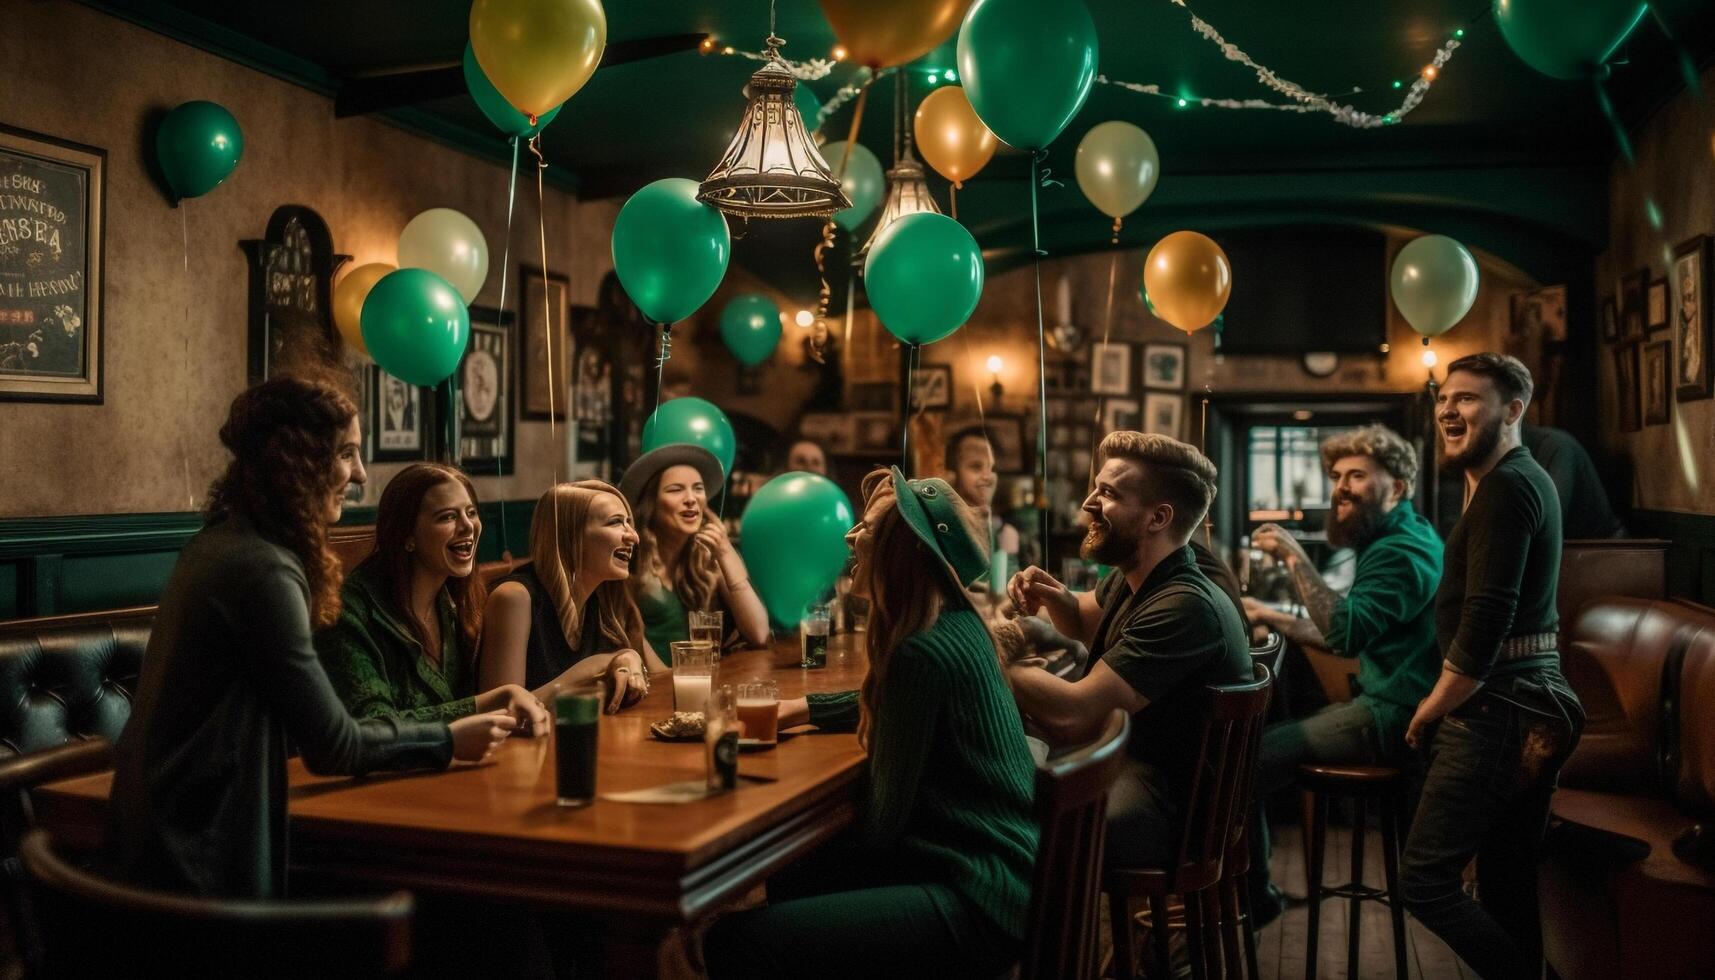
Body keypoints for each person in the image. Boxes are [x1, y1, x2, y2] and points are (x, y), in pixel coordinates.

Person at [108, 376, 516, 898]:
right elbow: (335, 745)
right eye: (347, 454)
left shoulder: (224, 543)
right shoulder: (263, 570)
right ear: (298, 461)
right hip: (199, 870)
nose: (361, 473)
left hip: (164, 838)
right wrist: (448, 739)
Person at [704, 468, 1037, 978]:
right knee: (769, 886)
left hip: (974, 899)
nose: (850, 536)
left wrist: (782, 872)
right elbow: (903, 702)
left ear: (903, 548)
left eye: (870, 526)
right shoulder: (955, 624)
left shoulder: (920, 653)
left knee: (734, 937)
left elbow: (882, 824)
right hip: (999, 873)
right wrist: (803, 709)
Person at [1401, 353, 1585, 979]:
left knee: (1425, 881)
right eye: (1444, 398)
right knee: (1506, 881)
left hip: (1503, 708)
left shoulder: (1509, 485)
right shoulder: (1512, 479)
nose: (1449, 410)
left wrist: (1431, 707)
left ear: (1513, 411)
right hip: (1527, 701)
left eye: (1468, 399)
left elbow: (1486, 624)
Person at [1006, 431, 1250, 868]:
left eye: (1109, 493)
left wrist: (988, 653)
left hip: (1169, 808)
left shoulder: (1184, 606)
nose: (1088, 503)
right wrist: (1052, 594)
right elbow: (1083, 618)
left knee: (1005, 820)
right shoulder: (1139, 576)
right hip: (1138, 770)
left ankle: (1041, 931)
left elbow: (1073, 714)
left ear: (1158, 517)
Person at [1240, 425, 1443, 923]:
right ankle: (1252, 888)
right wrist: (1272, 615)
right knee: (1263, 735)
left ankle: (1253, 896)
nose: (1340, 487)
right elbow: (1348, 630)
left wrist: (1293, 556)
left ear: (1396, 487)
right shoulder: (1400, 537)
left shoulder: (1400, 553)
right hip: (1386, 702)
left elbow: (1345, 633)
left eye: (1356, 475)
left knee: (1243, 759)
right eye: (1335, 476)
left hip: (1396, 716)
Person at [317, 462, 549, 731]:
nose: (468, 527)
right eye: (447, 517)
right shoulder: (349, 613)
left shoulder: (454, 602)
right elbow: (373, 729)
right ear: (407, 536)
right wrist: (483, 704)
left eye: (471, 513)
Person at [480, 481, 665, 710]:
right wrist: (598, 665)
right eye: (616, 522)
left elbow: (663, 681)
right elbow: (499, 710)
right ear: (569, 534)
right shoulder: (515, 597)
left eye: (629, 523)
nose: (634, 537)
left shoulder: (606, 598)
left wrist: (631, 658)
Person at [620, 445, 770, 660]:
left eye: (698, 488)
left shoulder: (709, 556)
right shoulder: (630, 558)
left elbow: (759, 634)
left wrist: (725, 552)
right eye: (675, 489)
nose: (691, 498)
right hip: (652, 687)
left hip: (700, 683)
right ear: (651, 503)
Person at [1521, 424, 1624, 539]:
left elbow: (1547, 526)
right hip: (1567, 549)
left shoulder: (1558, 446)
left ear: (1514, 412)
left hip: (1606, 549)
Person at [944, 424, 1020, 558]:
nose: (988, 476)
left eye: (992, 468)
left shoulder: (1004, 533)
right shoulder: (943, 529)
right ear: (952, 473)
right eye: (976, 467)